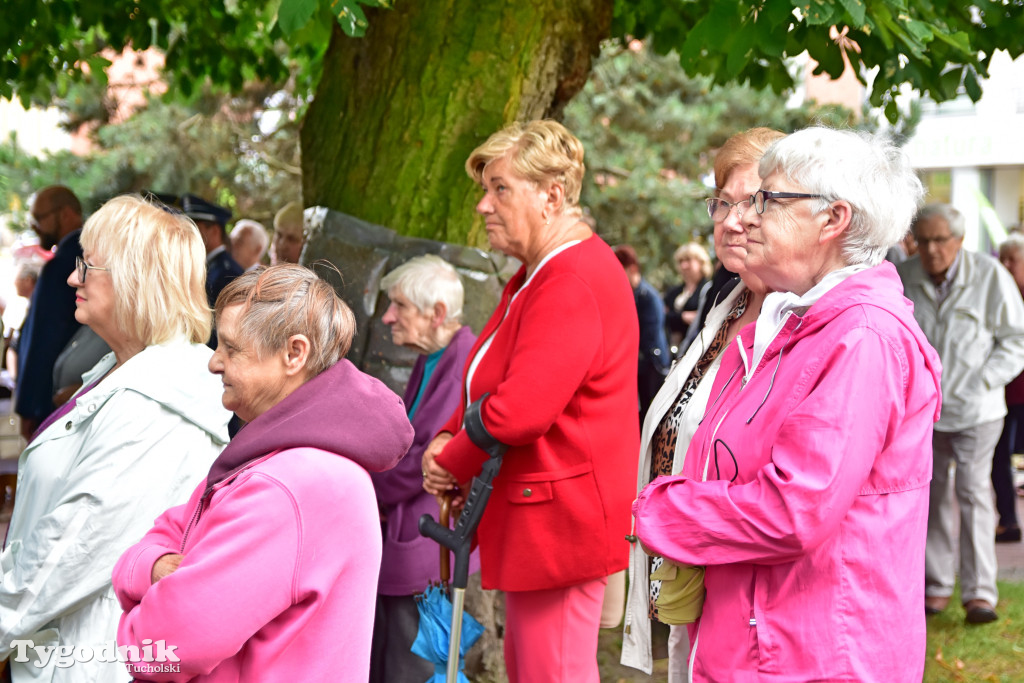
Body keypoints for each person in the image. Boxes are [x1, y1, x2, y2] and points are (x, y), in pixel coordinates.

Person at [633, 127, 942, 681]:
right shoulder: (782, 324)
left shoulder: (862, 337)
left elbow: (793, 510)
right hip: (757, 639)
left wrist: (657, 510)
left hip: (815, 654)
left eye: (767, 199)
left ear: (833, 220)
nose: (746, 217)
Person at [113, 264, 414, 682]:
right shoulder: (284, 460)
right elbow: (173, 531)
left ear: (294, 354)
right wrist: (156, 566)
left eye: (232, 349)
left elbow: (162, 649)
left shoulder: (288, 485)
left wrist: (133, 615)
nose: (214, 362)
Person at [421, 120, 639, 683]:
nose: (483, 206)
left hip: (559, 527)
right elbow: (489, 374)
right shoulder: (542, 272)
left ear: (552, 196)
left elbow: (520, 409)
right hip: (545, 521)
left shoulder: (568, 279)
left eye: (500, 188)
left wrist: (450, 459)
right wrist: (448, 436)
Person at [0, 194, 231, 682]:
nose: (71, 278)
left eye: (87, 265)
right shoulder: (123, 371)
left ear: (135, 279)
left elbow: (66, 550)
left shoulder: (157, 403)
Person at [620, 127, 783, 681]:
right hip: (693, 569)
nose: (731, 220)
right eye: (722, 202)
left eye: (753, 202)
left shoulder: (799, 321)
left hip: (754, 599)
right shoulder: (729, 299)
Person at [898, 204, 1024, 623]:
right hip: (924, 412)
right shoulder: (905, 276)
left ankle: (979, 594)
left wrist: (983, 380)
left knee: (972, 493)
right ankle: (935, 588)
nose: (932, 250)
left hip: (978, 411)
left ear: (960, 240)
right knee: (931, 498)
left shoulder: (990, 277)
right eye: (924, 240)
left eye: (940, 240)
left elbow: (1015, 341)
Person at [369, 255, 478, 683]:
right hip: (415, 534)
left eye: (399, 306)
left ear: (436, 314)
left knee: (409, 663)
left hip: (425, 541)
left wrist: (367, 487)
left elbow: (422, 458)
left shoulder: (459, 362)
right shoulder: (434, 356)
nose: (388, 316)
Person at [14, 186, 84, 440]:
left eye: (39, 219)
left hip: (55, 397)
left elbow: (44, 339)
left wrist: (30, 406)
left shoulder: (65, 263)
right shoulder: (72, 257)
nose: (35, 227)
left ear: (65, 214)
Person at [614, 244, 670, 422]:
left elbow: (648, 336)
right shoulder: (629, 293)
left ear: (632, 269)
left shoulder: (648, 297)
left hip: (651, 366)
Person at [995, 233, 1024, 543]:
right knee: (1000, 458)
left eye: (1012, 259)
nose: (1005, 265)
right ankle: (1008, 520)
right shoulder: (1000, 293)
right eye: (1002, 258)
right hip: (1003, 391)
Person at [182, 194, 243, 308]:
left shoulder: (228, 273)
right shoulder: (209, 265)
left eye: (195, 228)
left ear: (214, 231)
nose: (189, 233)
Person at [663, 243, 712, 350]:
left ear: (701, 262)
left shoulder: (709, 289)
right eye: (681, 261)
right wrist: (683, 317)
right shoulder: (674, 292)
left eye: (688, 260)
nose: (683, 265)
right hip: (672, 348)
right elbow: (662, 315)